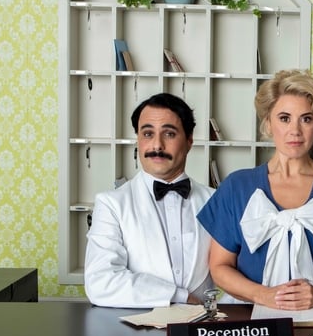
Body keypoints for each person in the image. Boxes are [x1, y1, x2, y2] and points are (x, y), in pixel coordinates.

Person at [198, 69, 313, 310]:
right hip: (248, 319)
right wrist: (263, 296)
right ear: (268, 122)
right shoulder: (236, 187)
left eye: (306, 119)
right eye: (284, 118)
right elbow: (219, 266)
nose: (295, 130)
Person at [84, 93, 215, 308]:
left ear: (189, 140)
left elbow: (234, 272)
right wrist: (178, 296)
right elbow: (101, 282)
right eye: (147, 133)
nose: (157, 145)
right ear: (138, 139)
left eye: (169, 134)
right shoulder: (111, 204)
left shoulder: (215, 200)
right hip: (135, 332)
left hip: (202, 331)